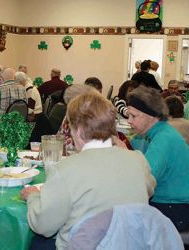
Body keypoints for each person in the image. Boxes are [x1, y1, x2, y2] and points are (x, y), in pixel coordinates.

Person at [21, 92, 155, 250]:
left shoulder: (66, 169)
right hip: (131, 243)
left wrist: (33, 197)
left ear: (77, 131)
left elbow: (42, 225)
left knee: (37, 243)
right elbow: (149, 190)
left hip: (84, 245)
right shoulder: (138, 160)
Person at [126, 86, 189, 231]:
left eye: (134, 116)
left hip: (176, 208)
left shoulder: (163, 138)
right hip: (171, 203)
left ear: (151, 116)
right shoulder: (155, 132)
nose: (129, 121)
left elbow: (145, 181)